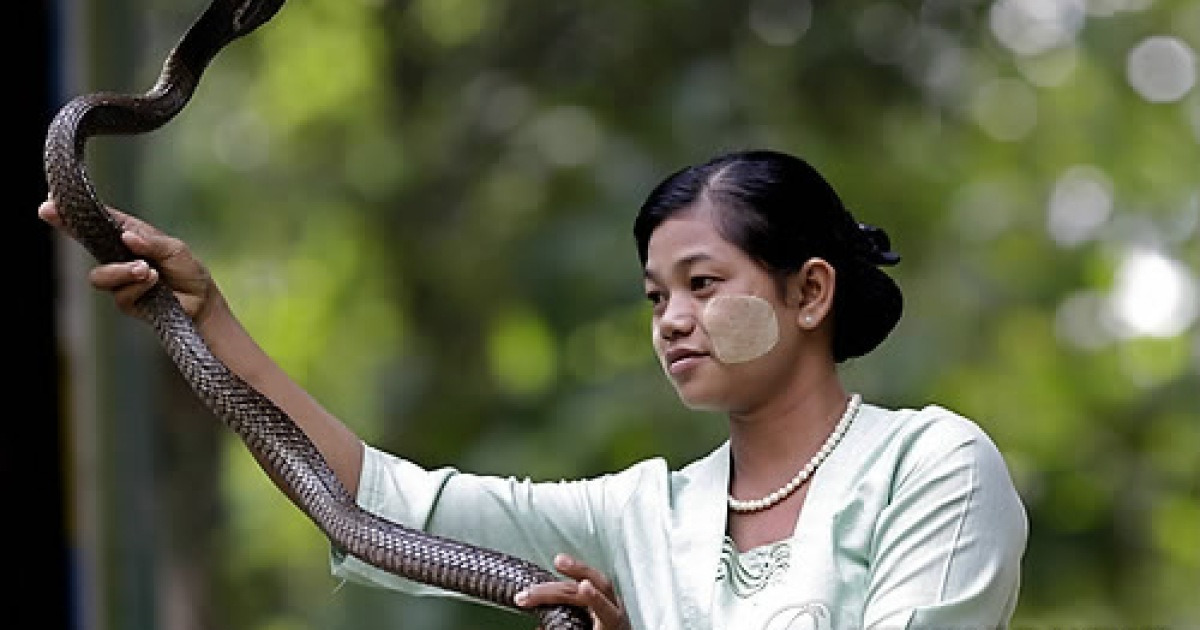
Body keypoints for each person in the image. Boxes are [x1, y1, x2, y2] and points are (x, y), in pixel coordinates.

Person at [40, 148, 1028, 629]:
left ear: (810, 290)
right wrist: (207, 320)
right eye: (654, 297)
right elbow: (383, 508)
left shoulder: (931, 465)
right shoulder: (644, 512)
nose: (671, 320)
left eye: (702, 283)